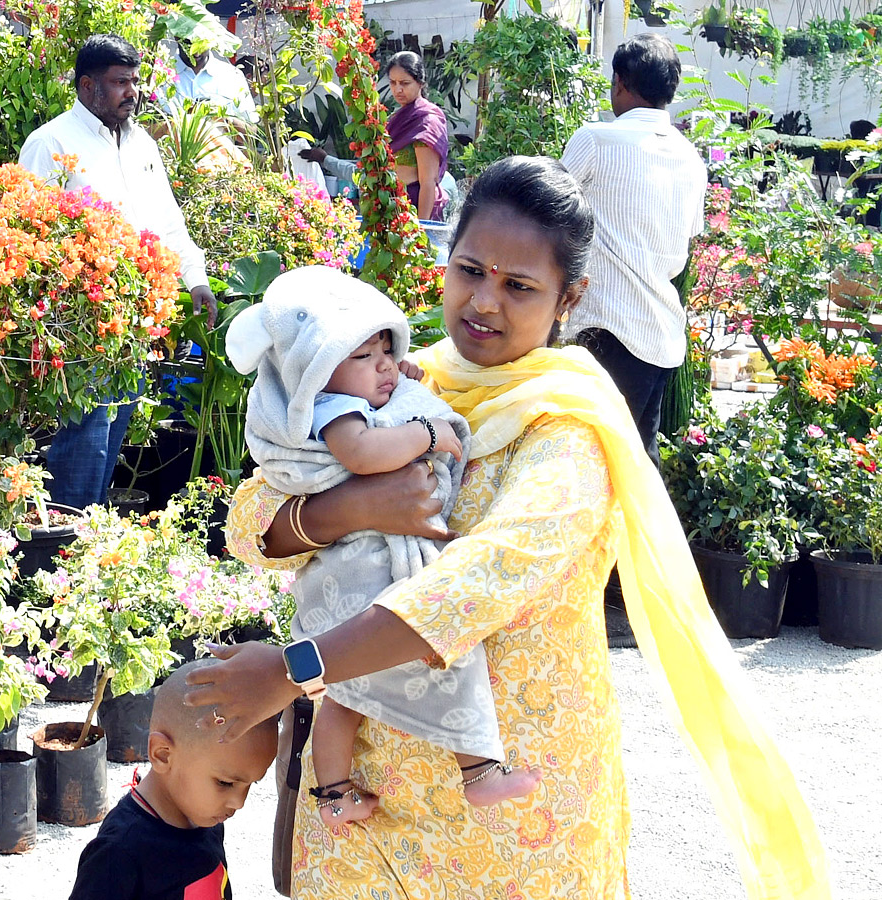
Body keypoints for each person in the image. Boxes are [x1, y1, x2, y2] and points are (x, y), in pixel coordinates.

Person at [184, 156, 829, 899]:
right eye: (470, 270)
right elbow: (249, 521)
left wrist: (293, 669)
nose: (484, 301)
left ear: (569, 296)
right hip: (369, 800)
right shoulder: (401, 382)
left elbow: (477, 582)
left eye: (519, 286)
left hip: (511, 810)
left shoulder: (569, 430)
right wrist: (348, 510)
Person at [224, 266, 540, 824]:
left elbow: (385, 392)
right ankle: (476, 771)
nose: (385, 366)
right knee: (429, 659)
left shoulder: (374, 390)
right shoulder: (332, 410)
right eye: (364, 357)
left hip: (369, 570)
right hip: (361, 569)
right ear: (317, 371)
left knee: (346, 695)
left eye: (386, 352)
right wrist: (424, 433)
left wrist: (398, 378)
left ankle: (337, 793)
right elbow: (363, 457)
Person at [18, 34, 218, 509]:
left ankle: (85, 540)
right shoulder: (51, 142)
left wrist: (196, 279)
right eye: (119, 82)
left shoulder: (142, 143)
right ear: (88, 86)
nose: (132, 92)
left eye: (134, 81)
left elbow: (169, 222)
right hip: (78, 317)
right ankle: (62, 551)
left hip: (135, 315)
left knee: (115, 425)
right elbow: (26, 233)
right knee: (85, 435)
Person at [559, 33, 707, 466]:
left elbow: (547, 211)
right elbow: (686, 241)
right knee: (637, 464)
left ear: (620, 83)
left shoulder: (597, 141)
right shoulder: (692, 160)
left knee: (591, 463)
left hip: (603, 327)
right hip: (660, 335)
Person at [66, 661, 277, 900]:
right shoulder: (119, 852)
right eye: (225, 783)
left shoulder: (205, 817)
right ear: (162, 754)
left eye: (252, 784)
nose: (239, 803)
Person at [300, 51, 452, 221]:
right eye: (393, 83)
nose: (398, 89)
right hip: (388, 207)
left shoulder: (426, 122)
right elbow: (374, 170)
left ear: (420, 83)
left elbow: (428, 182)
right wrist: (326, 160)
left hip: (413, 211)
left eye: (405, 83)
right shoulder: (396, 117)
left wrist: (423, 227)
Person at [168, 38, 258, 128]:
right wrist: (181, 120)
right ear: (177, 38)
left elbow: (251, 131)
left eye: (201, 44)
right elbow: (154, 130)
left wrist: (221, 117)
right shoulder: (160, 73)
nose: (196, 53)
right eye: (189, 45)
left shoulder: (232, 75)